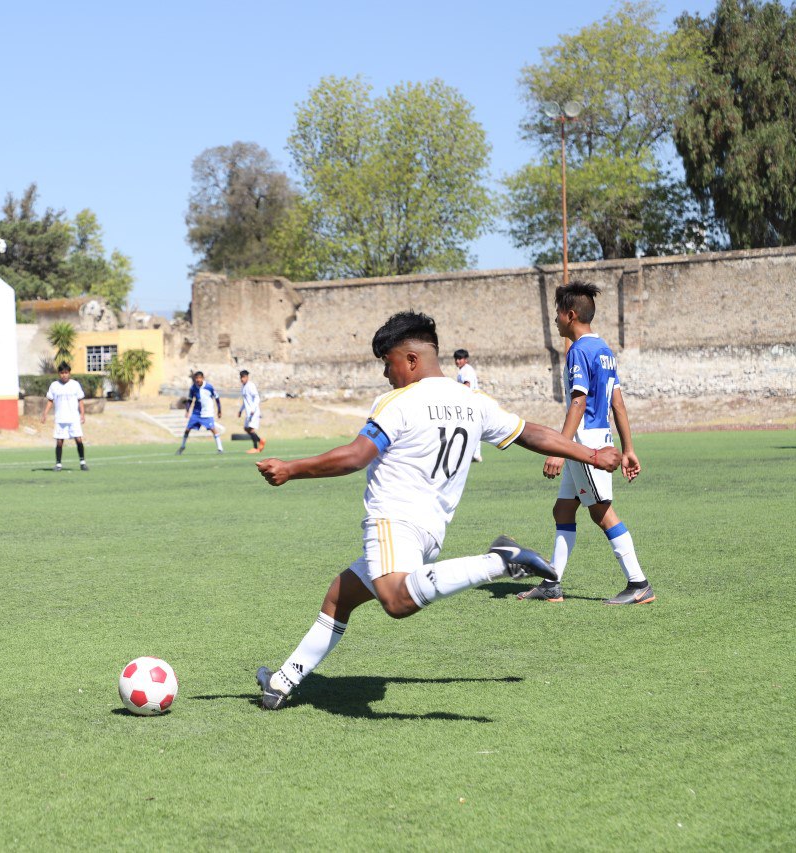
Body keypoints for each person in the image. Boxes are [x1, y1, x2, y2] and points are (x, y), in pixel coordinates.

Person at [252, 311, 621, 710]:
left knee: (395, 602)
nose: (385, 375)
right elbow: (532, 433)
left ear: (410, 360)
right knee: (340, 595)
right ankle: (282, 681)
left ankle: (499, 563)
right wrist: (591, 454)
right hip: (430, 532)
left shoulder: (398, 401)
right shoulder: (471, 400)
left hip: (393, 521)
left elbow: (356, 456)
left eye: (387, 363)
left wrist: (291, 469)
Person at [518, 282, 651, 605]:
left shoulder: (578, 350)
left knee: (601, 512)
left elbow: (579, 401)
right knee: (563, 508)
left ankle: (639, 583)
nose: (555, 320)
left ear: (571, 314)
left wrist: (558, 449)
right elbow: (617, 402)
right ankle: (553, 583)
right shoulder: (604, 350)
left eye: (558, 314)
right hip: (593, 439)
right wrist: (629, 448)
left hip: (585, 444)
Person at [42, 363, 87, 471]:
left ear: (69, 373)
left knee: (79, 439)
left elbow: (80, 400)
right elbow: (50, 400)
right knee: (59, 441)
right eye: (62, 373)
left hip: (73, 418)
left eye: (66, 372)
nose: (64, 375)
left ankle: (82, 462)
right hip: (60, 418)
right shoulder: (54, 385)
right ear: (59, 374)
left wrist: (82, 414)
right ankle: (58, 464)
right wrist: (45, 413)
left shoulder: (75, 385)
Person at [177, 371, 224, 454]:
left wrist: (219, 410)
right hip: (196, 413)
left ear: (202, 378)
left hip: (207, 413)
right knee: (187, 429)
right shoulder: (193, 388)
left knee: (213, 429)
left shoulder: (209, 387)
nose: (197, 380)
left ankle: (220, 448)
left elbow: (217, 398)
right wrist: (187, 411)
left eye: (199, 378)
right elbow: (190, 400)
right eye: (196, 378)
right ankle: (182, 446)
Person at [454, 349, 482, 462]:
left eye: (460, 359)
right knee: (473, 427)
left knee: (471, 427)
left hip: (471, 401)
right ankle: (474, 454)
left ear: (466, 360)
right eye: (456, 359)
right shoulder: (463, 370)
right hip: (471, 401)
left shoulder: (466, 370)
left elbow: (467, 385)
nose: (457, 361)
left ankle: (474, 454)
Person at [238, 370, 266, 454]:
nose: (242, 379)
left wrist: (253, 409)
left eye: (243, 377)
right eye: (241, 377)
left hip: (253, 412)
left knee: (251, 429)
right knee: (246, 428)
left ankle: (256, 447)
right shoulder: (243, 387)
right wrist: (240, 410)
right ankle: (260, 441)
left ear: (247, 377)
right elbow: (245, 401)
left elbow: (257, 398)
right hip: (248, 412)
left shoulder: (251, 386)